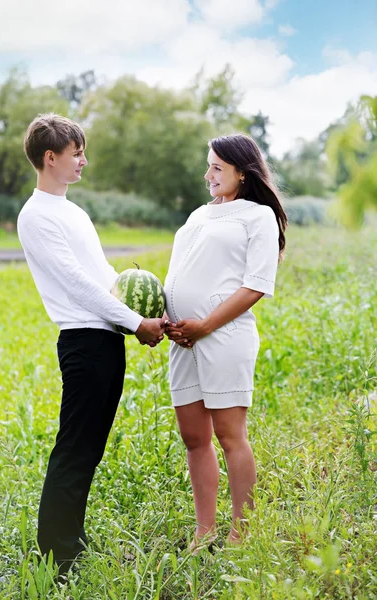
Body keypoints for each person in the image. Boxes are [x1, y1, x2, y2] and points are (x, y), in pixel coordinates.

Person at [17, 113, 165, 574]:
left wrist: (147, 318)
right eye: (76, 152)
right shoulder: (36, 216)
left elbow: (106, 277)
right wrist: (136, 322)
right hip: (82, 341)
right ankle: (54, 556)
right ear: (50, 157)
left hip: (106, 339)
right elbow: (79, 285)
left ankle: (71, 539)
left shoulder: (74, 212)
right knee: (75, 446)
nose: (83, 160)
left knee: (90, 446)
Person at [164, 133, 288, 550]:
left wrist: (205, 325)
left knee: (229, 435)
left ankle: (241, 534)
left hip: (224, 336)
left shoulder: (257, 217)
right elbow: (179, 271)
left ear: (242, 171)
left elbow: (256, 285)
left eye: (218, 167)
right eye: (209, 165)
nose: (209, 174)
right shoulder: (199, 214)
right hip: (184, 340)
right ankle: (204, 530)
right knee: (193, 437)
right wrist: (170, 318)